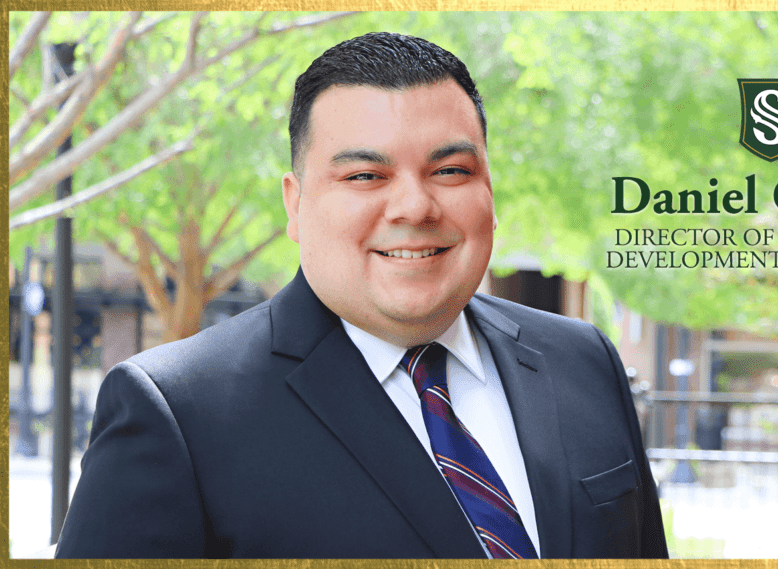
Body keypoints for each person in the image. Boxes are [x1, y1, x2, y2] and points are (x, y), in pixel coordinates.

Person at [55, 32, 667, 559]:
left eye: (450, 171)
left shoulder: (583, 361)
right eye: (365, 176)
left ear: (489, 188)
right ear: (296, 204)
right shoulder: (177, 415)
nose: (414, 207)